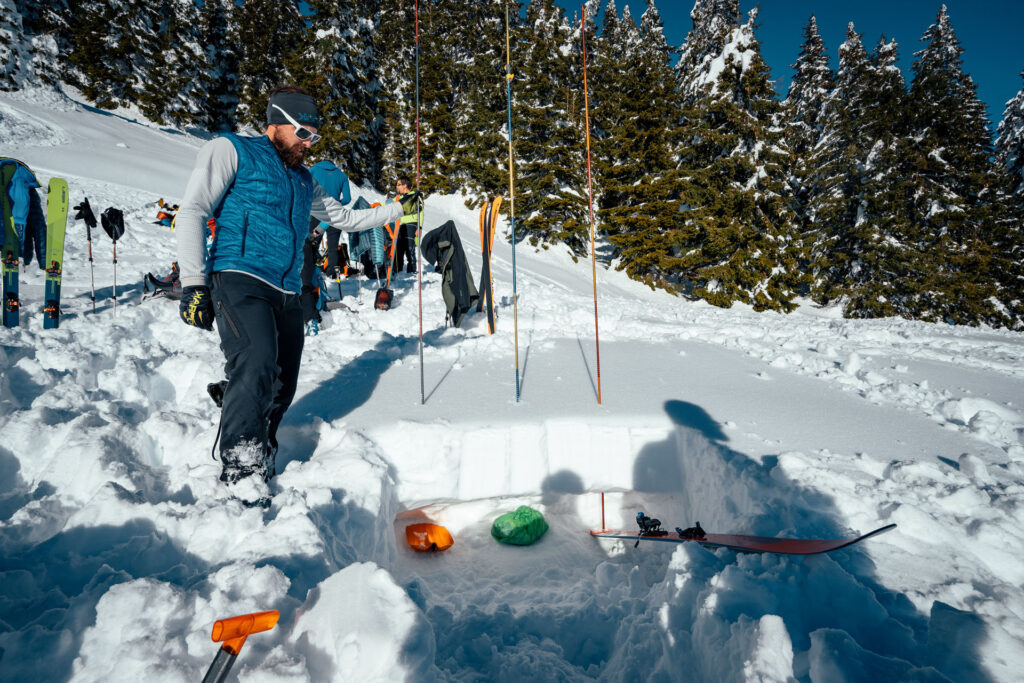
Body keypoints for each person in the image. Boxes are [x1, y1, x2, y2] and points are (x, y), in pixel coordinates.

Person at [174, 84, 404, 500]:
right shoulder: (232, 150)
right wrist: (194, 283)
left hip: (287, 290)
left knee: (283, 382)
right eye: (303, 133)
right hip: (239, 275)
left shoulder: (304, 181)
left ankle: (260, 440)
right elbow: (192, 210)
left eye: (314, 136)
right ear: (276, 124)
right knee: (258, 361)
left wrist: (399, 210)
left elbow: (348, 219)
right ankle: (242, 466)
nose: (308, 143)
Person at [391, 175, 421, 274]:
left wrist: (419, 227)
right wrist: (376, 206)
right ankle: (398, 271)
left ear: (405, 185)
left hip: (411, 224)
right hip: (399, 224)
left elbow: (421, 212)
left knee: (409, 248)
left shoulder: (415, 195)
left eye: (398, 184)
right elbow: (388, 204)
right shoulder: (398, 197)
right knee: (398, 248)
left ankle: (412, 271)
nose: (397, 187)